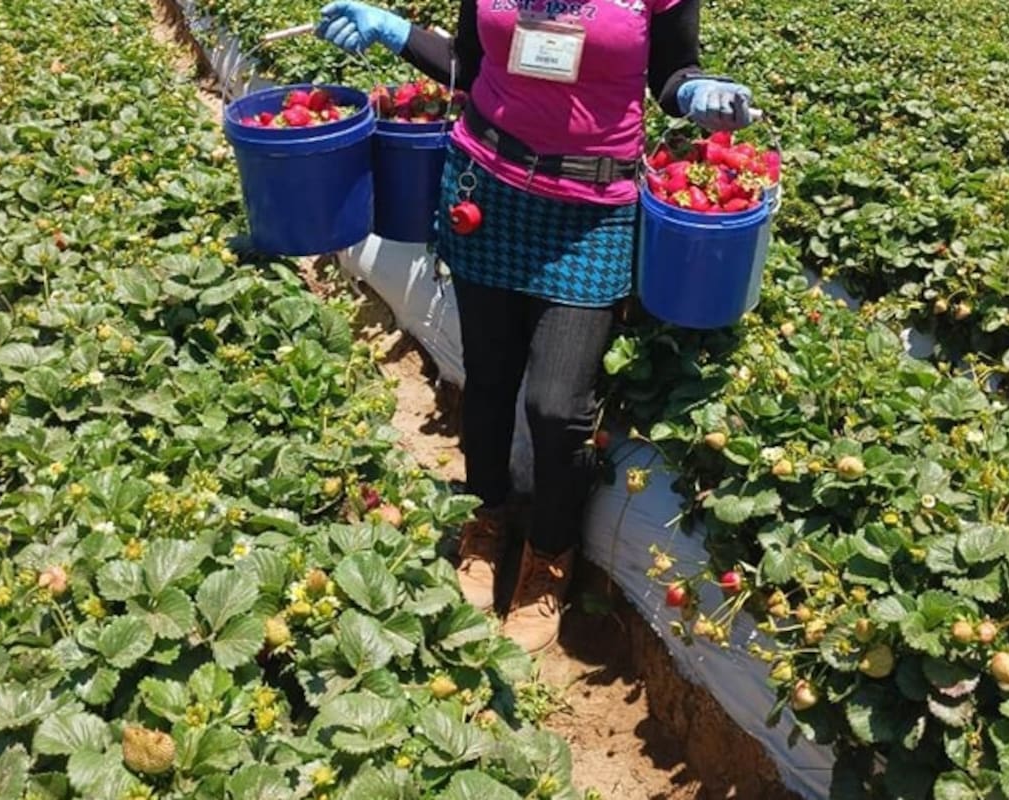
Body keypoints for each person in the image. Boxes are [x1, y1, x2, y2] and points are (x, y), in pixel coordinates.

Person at [316, 0, 755, 653]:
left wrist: (695, 90)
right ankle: (486, 519)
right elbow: (471, 63)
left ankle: (549, 557)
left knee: (557, 405)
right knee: (488, 378)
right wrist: (398, 31)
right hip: (486, 191)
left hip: (592, 214)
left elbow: (670, 71)